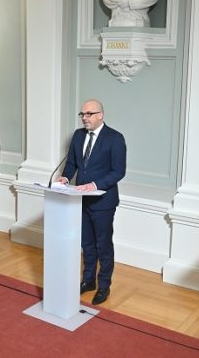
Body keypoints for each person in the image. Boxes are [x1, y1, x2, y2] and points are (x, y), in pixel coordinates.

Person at [56, 99, 127, 305]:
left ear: (100, 115)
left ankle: (104, 285)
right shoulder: (78, 135)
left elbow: (118, 171)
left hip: (103, 202)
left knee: (103, 245)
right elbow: (72, 163)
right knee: (86, 244)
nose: (84, 118)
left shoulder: (115, 138)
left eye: (89, 114)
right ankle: (88, 281)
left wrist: (95, 185)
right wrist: (66, 177)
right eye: (82, 114)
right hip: (80, 199)